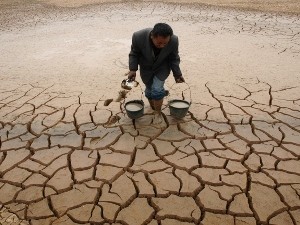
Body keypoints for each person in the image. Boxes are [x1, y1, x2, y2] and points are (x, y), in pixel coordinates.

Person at [127, 23, 185, 115]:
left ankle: (157, 113)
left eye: (165, 43)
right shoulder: (138, 37)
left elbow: (174, 58)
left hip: (162, 67)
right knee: (149, 91)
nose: (162, 46)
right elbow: (134, 53)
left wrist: (177, 74)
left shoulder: (174, 40)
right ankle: (153, 108)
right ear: (152, 36)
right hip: (146, 67)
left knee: (157, 89)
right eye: (159, 43)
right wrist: (133, 69)